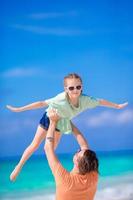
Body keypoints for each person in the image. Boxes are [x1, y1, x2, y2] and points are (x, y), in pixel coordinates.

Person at [6, 73, 128, 181]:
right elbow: (42, 103)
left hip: (62, 123)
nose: (75, 90)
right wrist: (20, 109)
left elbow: (100, 101)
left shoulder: (85, 100)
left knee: (51, 150)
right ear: (66, 89)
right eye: (71, 88)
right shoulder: (60, 98)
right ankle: (19, 166)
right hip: (49, 117)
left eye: (78, 87)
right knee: (35, 144)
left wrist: (116, 106)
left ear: (82, 87)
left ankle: (57, 175)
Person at [44, 109, 99, 200]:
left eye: (78, 153)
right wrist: (68, 121)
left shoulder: (65, 179)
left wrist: (53, 123)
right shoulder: (93, 177)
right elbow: (84, 146)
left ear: (77, 163)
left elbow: (48, 148)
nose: (78, 150)